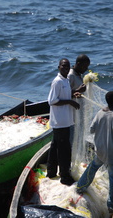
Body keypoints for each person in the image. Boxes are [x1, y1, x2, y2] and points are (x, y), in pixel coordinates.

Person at [76, 91, 113, 214]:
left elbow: (92, 129)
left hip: (100, 150)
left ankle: (81, 187)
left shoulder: (100, 113)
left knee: (92, 168)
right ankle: (112, 204)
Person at [47, 58, 80, 186]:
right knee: (64, 150)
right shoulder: (57, 82)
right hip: (60, 122)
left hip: (66, 120)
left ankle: (51, 172)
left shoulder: (65, 80)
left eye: (67, 66)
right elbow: (52, 100)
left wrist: (74, 94)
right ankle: (65, 177)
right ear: (58, 67)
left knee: (55, 146)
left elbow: (64, 95)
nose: (65, 68)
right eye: (63, 66)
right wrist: (70, 101)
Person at [67, 54, 90, 146]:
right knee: (73, 135)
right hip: (72, 112)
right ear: (78, 64)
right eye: (85, 66)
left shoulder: (78, 74)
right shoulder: (71, 75)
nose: (86, 69)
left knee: (79, 133)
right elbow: (64, 93)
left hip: (78, 110)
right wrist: (78, 91)